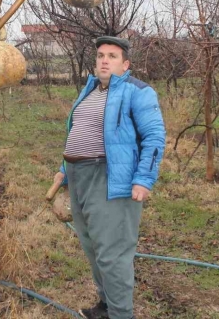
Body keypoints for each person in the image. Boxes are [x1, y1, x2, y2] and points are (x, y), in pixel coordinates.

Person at [53, 36, 166, 319]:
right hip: (79, 177)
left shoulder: (137, 91)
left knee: (112, 253)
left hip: (110, 178)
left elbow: (154, 137)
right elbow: (77, 131)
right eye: (101, 55)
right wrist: (64, 169)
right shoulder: (90, 91)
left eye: (112, 56)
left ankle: (120, 314)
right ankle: (107, 306)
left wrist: (143, 179)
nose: (104, 60)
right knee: (92, 247)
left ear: (125, 64)